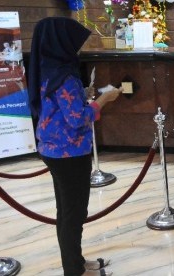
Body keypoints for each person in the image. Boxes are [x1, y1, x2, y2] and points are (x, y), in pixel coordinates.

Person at [28, 17, 122, 276]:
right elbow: (77, 118)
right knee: (73, 213)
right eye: (74, 43)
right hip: (69, 152)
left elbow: (59, 105)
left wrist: (83, 94)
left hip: (53, 149)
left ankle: (76, 262)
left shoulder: (47, 69)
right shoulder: (64, 76)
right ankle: (74, 270)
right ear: (62, 43)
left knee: (67, 211)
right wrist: (104, 99)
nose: (78, 49)